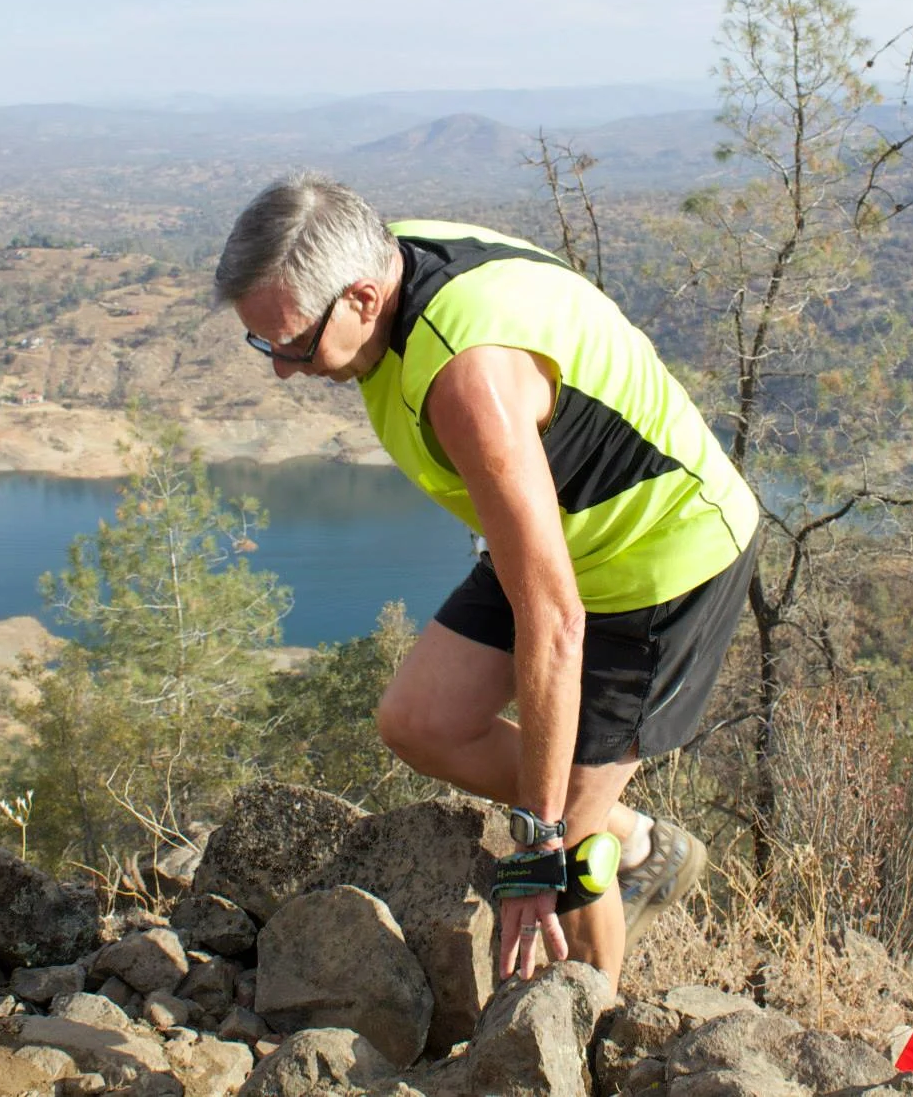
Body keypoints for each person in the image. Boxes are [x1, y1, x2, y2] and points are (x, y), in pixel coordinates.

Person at [215, 172, 760, 988]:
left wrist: (539, 841)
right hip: (562, 539)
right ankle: (642, 842)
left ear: (363, 296)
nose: (282, 371)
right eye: (263, 345)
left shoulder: (468, 380)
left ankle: (591, 1019)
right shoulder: (390, 260)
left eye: (292, 345)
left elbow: (555, 620)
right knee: (420, 720)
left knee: (569, 852)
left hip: (664, 562)